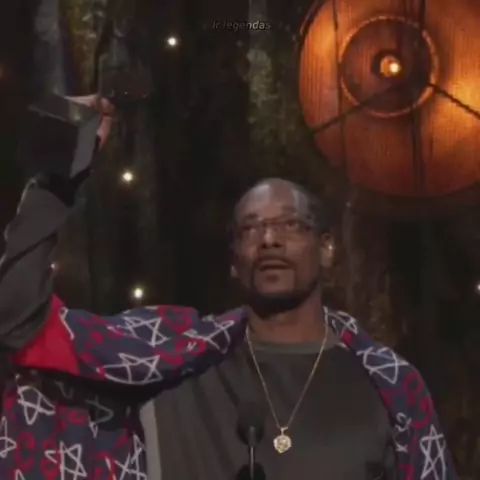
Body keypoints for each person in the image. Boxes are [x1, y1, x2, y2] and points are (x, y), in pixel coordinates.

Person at [0, 94, 457, 480]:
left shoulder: (390, 385)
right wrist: (59, 165)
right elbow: (19, 320)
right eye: (251, 229)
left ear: (327, 249)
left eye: (291, 225)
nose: (270, 239)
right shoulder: (170, 358)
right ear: (235, 262)